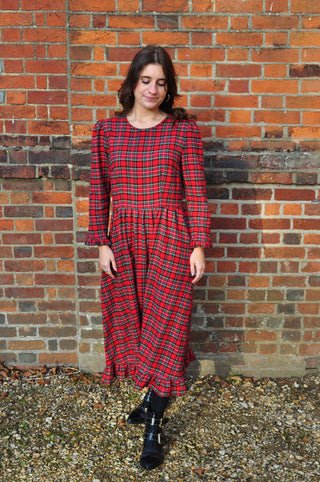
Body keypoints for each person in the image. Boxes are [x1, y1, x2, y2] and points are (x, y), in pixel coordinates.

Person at [86, 45, 211, 471]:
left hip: (170, 238)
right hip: (122, 238)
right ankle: (150, 396)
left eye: (161, 82)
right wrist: (100, 243)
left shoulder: (183, 132)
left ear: (168, 87)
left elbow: (195, 191)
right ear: (132, 82)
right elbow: (98, 192)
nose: (153, 89)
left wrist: (198, 245)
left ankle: (154, 423)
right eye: (146, 80)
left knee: (168, 326)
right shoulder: (106, 132)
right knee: (132, 322)